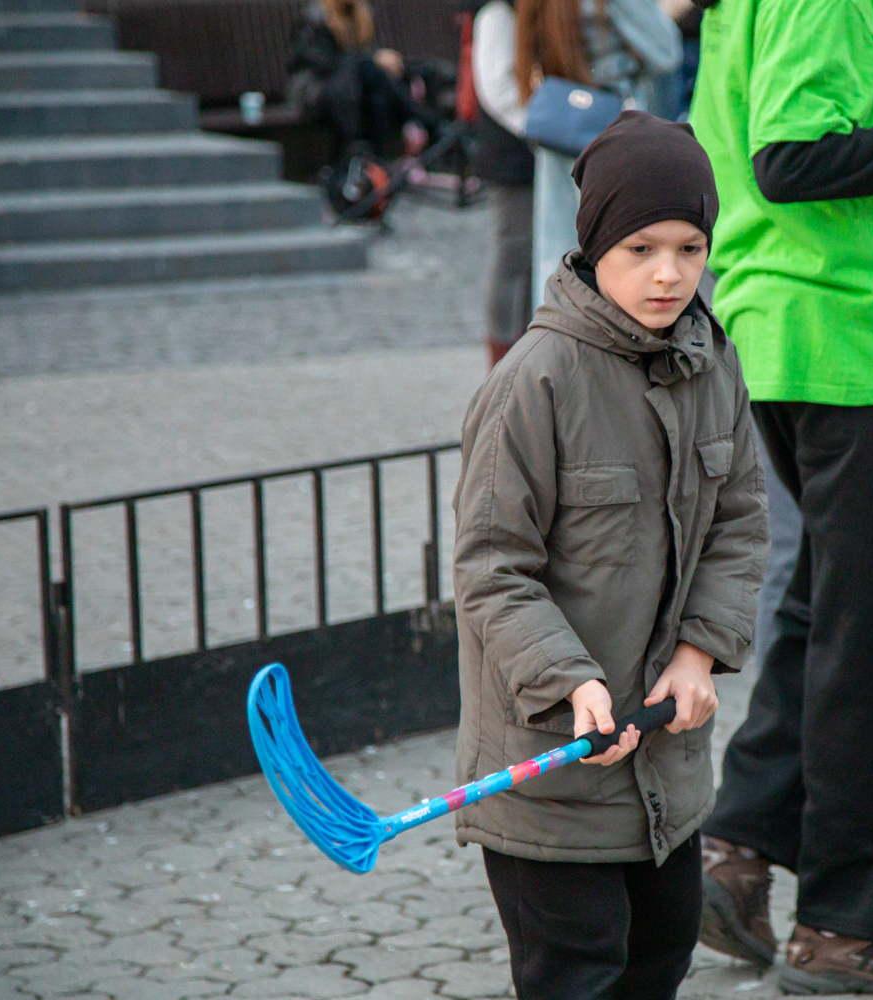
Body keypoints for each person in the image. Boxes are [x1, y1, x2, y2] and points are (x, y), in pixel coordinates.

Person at [689, 0, 873, 993]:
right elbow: (789, 158)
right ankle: (850, 920)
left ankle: (738, 842)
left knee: (831, 611)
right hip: (847, 337)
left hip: (805, 328)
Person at [450, 111, 768, 1000]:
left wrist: (699, 652)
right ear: (594, 246)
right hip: (552, 775)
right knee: (576, 977)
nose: (669, 273)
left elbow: (740, 522)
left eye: (690, 247)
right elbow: (490, 568)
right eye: (640, 249)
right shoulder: (533, 382)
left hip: (666, 772)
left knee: (659, 962)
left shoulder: (713, 362)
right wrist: (570, 683)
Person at [514, 0, 682, 307]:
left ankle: (559, 334)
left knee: (558, 251)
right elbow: (666, 52)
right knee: (625, 250)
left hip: (562, 121)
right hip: (616, 125)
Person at [469, 0, 537, 367]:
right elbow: (496, 87)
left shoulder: (517, 12)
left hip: (529, 145)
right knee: (512, 252)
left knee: (529, 256)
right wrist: (538, 124)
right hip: (512, 150)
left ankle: (524, 346)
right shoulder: (497, 14)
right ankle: (501, 355)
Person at [287, 0, 439, 158]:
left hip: (352, 91)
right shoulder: (314, 16)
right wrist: (370, 60)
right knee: (364, 66)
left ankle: (377, 161)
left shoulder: (362, 15)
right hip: (315, 89)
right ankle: (430, 122)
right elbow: (316, 63)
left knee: (378, 93)